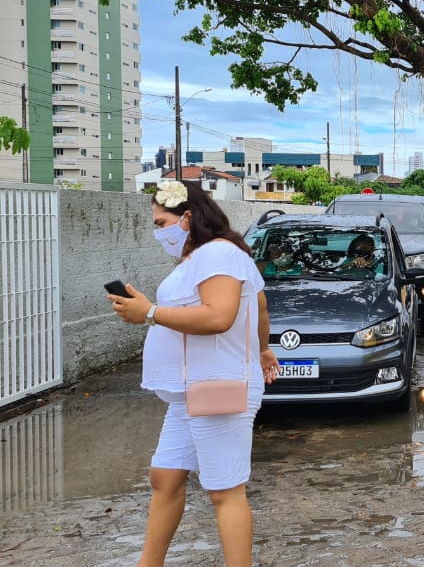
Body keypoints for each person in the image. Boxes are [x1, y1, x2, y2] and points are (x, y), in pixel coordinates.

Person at [106, 179, 280, 567]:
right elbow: (260, 304)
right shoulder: (204, 258)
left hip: (217, 387)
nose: (158, 231)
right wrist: (264, 348)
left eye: (160, 221)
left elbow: (219, 317)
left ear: (187, 218)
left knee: (225, 490)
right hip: (190, 390)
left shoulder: (218, 254)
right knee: (165, 477)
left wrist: (149, 312)